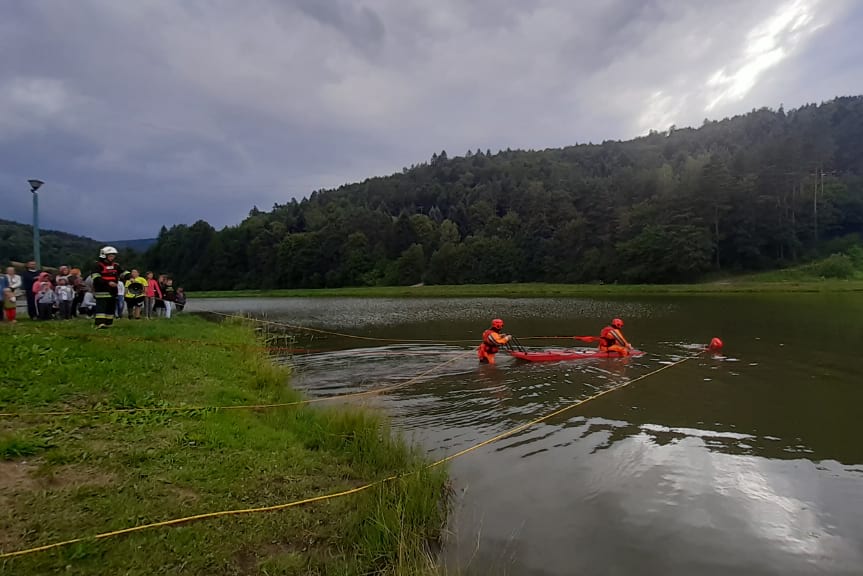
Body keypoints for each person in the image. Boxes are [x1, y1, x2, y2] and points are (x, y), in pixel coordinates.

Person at [92, 246, 121, 328]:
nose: (112, 257)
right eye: (110, 255)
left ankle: (109, 323)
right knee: (101, 308)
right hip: (102, 290)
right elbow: (96, 278)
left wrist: (130, 277)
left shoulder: (115, 265)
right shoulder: (98, 265)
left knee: (111, 307)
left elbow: (122, 272)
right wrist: (108, 283)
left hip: (113, 290)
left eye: (113, 255)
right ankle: (100, 323)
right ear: (104, 256)